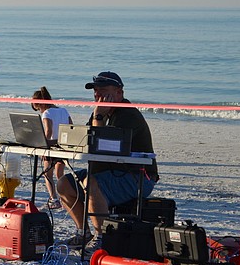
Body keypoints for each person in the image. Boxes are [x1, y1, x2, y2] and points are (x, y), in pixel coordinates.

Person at [57, 72, 159, 248]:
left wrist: (98, 117)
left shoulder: (128, 115)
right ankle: (83, 232)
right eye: (96, 91)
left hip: (138, 176)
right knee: (63, 184)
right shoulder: (101, 112)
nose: (98, 95)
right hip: (110, 171)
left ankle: (101, 237)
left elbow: (100, 144)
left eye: (103, 91)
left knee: (91, 182)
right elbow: (89, 141)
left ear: (119, 93)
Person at [32, 86, 71, 210]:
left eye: (37, 108)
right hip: (63, 146)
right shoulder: (63, 110)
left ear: (40, 104)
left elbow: (48, 131)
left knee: (48, 175)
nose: (38, 110)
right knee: (60, 174)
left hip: (51, 146)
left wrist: (43, 146)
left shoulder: (46, 113)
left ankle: (53, 198)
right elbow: (71, 127)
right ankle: (65, 198)